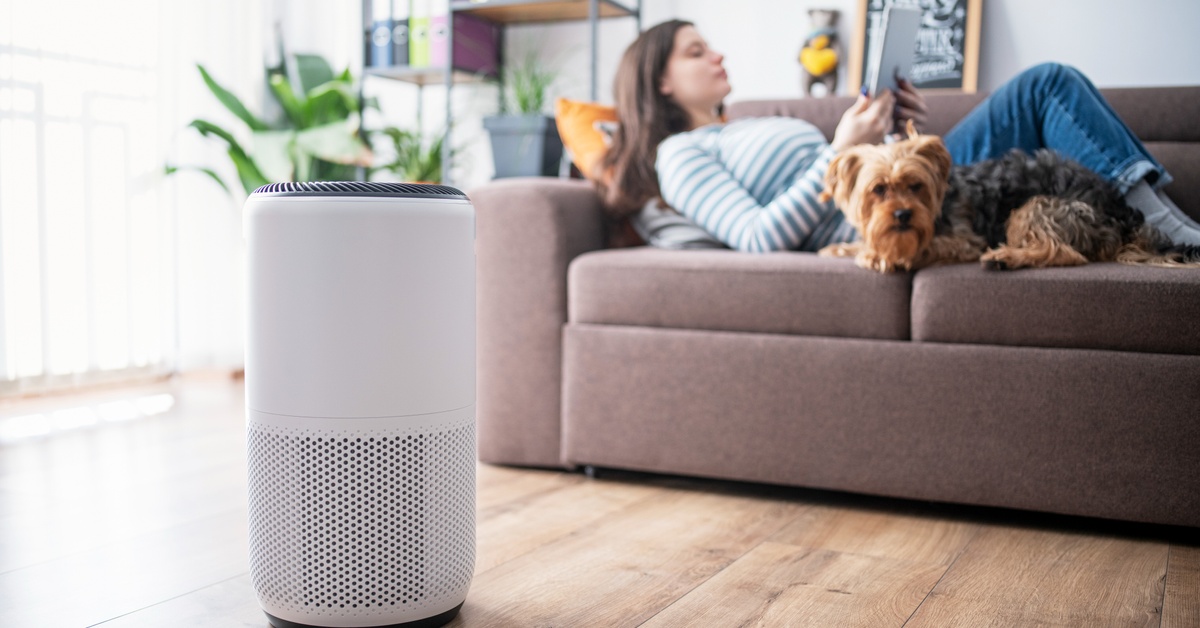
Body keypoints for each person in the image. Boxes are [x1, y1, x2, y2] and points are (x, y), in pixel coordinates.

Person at [595, 20, 1200, 253]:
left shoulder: (743, 125)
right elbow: (756, 238)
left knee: (1048, 83)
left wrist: (894, 130)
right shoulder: (681, 154)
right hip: (871, 219)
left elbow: (877, 174)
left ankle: (1158, 223)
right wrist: (840, 149)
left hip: (916, 182)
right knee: (1045, 83)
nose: (717, 55)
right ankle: (1169, 234)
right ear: (660, 81)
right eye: (696, 51)